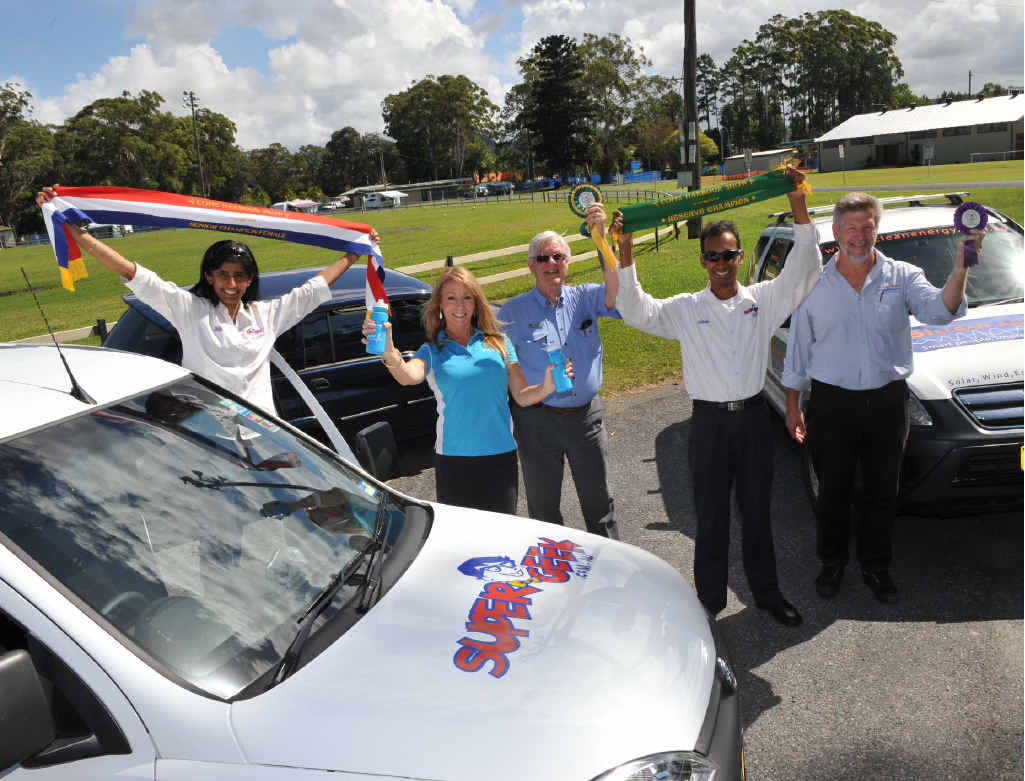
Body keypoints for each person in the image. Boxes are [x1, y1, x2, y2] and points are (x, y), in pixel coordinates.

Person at [608, 166, 818, 626]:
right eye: (712, 257)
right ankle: (709, 601)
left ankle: (767, 593)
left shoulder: (763, 300)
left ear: (740, 257)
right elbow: (636, 310)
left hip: (753, 424)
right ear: (702, 261)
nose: (721, 263)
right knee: (711, 516)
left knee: (758, 513)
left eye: (729, 255)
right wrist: (625, 250)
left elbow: (805, 270)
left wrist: (798, 201)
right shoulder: (686, 309)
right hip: (707, 425)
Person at [782, 192, 978, 604]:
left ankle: (876, 566)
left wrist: (962, 265)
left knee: (881, 491)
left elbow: (941, 311)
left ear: (877, 229)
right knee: (832, 491)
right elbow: (799, 350)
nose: (859, 236)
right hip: (831, 405)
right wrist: (793, 405)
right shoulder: (813, 283)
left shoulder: (902, 275)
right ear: (835, 233)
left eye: (867, 227)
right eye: (850, 228)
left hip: (887, 404)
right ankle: (831, 563)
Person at [35, 185, 377, 414]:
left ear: (250, 280)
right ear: (209, 277)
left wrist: (354, 253)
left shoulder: (266, 315)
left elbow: (310, 291)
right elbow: (137, 275)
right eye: (223, 275)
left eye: (240, 276)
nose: (232, 283)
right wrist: (76, 233)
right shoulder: (189, 310)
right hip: (212, 437)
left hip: (268, 437)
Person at [366, 266, 563, 515]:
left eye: (467, 297)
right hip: (454, 461)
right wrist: (389, 353)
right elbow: (408, 376)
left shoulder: (500, 343)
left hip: (500, 457)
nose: (460, 305)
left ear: (476, 303)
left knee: (499, 537)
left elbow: (522, 396)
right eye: (451, 297)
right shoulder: (432, 350)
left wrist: (547, 385)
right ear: (439, 305)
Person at [497, 224, 621, 539]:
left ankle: (612, 577)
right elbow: (494, 358)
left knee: (599, 507)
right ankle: (557, 578)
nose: (551, 263)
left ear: (567, 262)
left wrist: (603, 241)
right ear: (531, 265)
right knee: (543, 510)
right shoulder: (512, 312)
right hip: (538, 421)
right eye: (543, 258)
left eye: (558, 256)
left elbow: (618, 294)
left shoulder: (586, 298)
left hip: (585, 420)